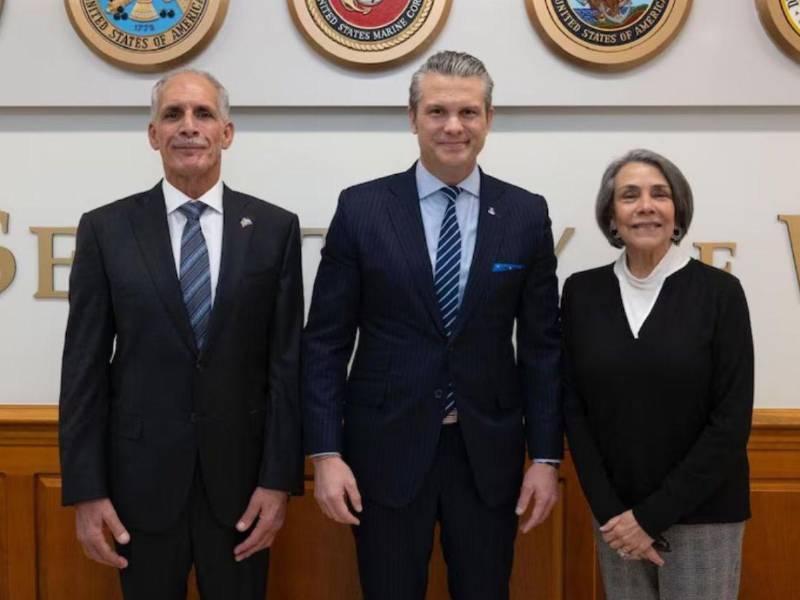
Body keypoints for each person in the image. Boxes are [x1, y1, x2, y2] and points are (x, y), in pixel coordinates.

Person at [302, 51, 562, 600]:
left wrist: (544, 457)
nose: (453, 126)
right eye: (437, 111)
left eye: (468, 112)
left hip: (487, 458)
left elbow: (541, 349)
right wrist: (326, 455)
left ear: (489, 118)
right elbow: (325, 343)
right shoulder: (362, 209)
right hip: (383, 453)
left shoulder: (524, 214)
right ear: (413, 117)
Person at [58, 69, 304, 600]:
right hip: (138, 492)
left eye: (203, 114)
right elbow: (83, 369)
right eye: (172, 115)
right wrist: (85, 491)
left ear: (227, 132)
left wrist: (278, 482)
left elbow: (286, 367)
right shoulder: (106, 230)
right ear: (153, 135)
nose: (188, 127)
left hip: (242, 492)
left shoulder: (274, 230)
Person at [563, 149, 754, 600]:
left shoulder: (720, 294)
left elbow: (729, 423)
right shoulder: (581, 293)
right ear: (611, 216)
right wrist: (613, 513)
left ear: (677, 211)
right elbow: (572, 407)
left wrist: (650, 518)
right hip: (616, 519)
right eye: (630, 195)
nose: (645, 205)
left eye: (659, 194)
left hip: (704, 516)